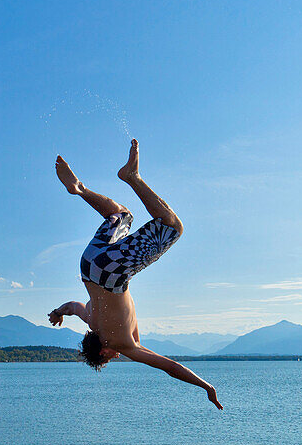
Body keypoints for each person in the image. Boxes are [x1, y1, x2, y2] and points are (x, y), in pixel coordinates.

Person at [49, 140, 223, 410]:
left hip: (110, 274)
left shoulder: (123, 343)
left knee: (173, 228)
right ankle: (80, 189)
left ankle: (132, 177)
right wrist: (58, 312)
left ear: (103, 349)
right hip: (88, 266)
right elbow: (72, 307)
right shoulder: (91, 319)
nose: (116, 356)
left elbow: (171, 367)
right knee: (122, 215)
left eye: (108, 358)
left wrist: (206, 386)